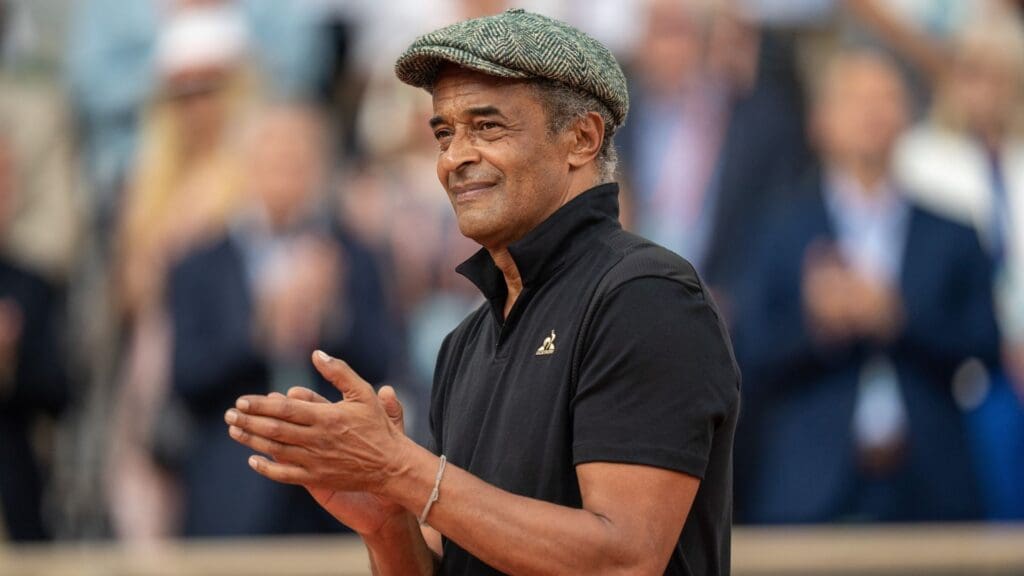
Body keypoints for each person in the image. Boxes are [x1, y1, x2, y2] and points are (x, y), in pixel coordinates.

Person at [224, 9, 739, 576]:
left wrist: (402, 469)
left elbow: (623, 561)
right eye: (444, 133)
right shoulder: (465, 342)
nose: (454, 158)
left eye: (487, 127)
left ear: (582, 138)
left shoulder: (645, 296)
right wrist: (388, 521)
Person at [737, 51, 1000, 523]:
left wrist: (896, 317)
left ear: (908, 116)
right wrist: (817, 324)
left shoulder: (953, 232)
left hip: (932, 487)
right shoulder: (780, 230)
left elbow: (985, 344)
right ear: (820, 120)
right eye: (855, 99)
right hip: (808, 490)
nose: (871, 113)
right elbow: (748, 351)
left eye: (886, 98)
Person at [169, 105, 394, 536]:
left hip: (337, 489)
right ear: (246, 168)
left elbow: (381, 361)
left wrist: (329, 315)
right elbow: (187, 379)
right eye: (272, 162)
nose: (285, 177)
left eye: (297, 163)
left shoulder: (356, 257)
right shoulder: (199, 265)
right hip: (233, 491)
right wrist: (262, 328)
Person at [895, 10, 1024, 519]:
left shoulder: (1018, 158)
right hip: (962, 361)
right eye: (972, 71)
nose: (984, 88)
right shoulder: (919, 156)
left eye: (998, 73)